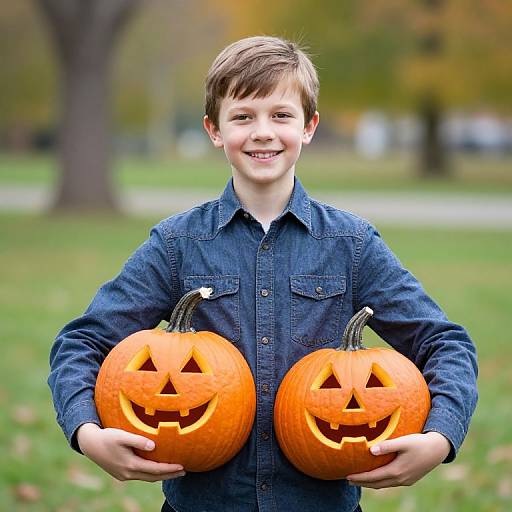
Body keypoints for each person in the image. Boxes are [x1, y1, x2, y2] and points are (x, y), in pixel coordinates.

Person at [49, 36, 478, 512]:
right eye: (242, 116)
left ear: (309, 126)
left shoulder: (351, 245)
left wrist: (440, 437)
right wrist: (87, 432)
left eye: (280, 115)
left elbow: (444, 342)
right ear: (215, 129)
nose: (262, 132)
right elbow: (83, 342)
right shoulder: (177, 245)